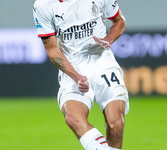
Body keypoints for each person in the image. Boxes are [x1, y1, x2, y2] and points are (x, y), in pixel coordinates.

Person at [33, 0, 129, 149]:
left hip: (102, 62)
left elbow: (119, 21)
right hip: (73, 67)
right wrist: (77, 77)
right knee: (73, 118)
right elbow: (52, 50)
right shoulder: (43, 5)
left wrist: (107, 40)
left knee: (116, 123)